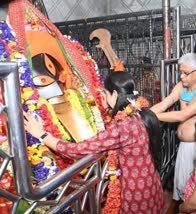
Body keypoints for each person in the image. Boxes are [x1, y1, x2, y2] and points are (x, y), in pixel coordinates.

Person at [24, 72, 165, 213]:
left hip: (136, 195)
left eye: (105, 93)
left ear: (114, 94)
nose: (103, 97)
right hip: (151, 185)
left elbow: (77, 149)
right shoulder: (140, 112)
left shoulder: (124, 126)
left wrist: (42, 135)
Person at [150, 53, 196, 208]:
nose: (181, 76)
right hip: (185, 146)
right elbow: (166, 102)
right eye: (180, 72)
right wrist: (145, 114)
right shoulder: (181, 86)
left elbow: (183, 115)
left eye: (185, 73)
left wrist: (153, 118)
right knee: (182, 184)